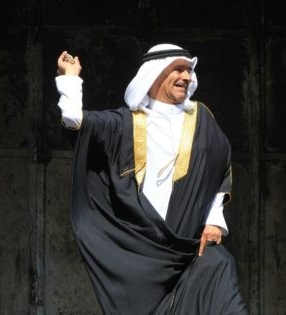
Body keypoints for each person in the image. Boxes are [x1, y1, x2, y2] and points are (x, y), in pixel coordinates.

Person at [55, 43, 249, 314]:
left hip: (190, 243)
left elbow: (219, 167)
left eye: (189, 71)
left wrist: (214, 221)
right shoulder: (124, 123)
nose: (186, 77)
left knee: (221, 272)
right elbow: (75, 120)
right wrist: (70, 77)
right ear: (154, 74)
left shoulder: (201, 117)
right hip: (143, 244)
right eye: (178, 69)